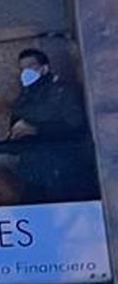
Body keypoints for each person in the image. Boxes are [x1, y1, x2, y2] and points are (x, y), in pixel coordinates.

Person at [9, 49, 95, 204]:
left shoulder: (62, 93)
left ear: (45, 68)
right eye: (22, 68)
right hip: (32, 175)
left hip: (62, 173)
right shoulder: (21, 101)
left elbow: (76, 128)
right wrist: (14, 137)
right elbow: (15, 140)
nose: (26, 72)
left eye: (31, 66)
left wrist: (36, 130)